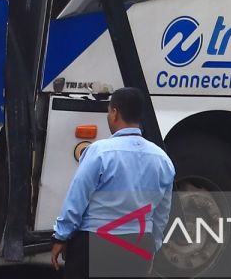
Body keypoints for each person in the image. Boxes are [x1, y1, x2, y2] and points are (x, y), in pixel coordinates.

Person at [51, 87, 175, 279]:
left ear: (115, 113)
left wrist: (61, 236)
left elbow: (77, 198)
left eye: (109, 111)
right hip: (139, 244)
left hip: (94, 242)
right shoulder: (162, 159)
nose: (109, 116)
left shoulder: (100, 152)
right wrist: (152, 246)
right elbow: (162, 213)